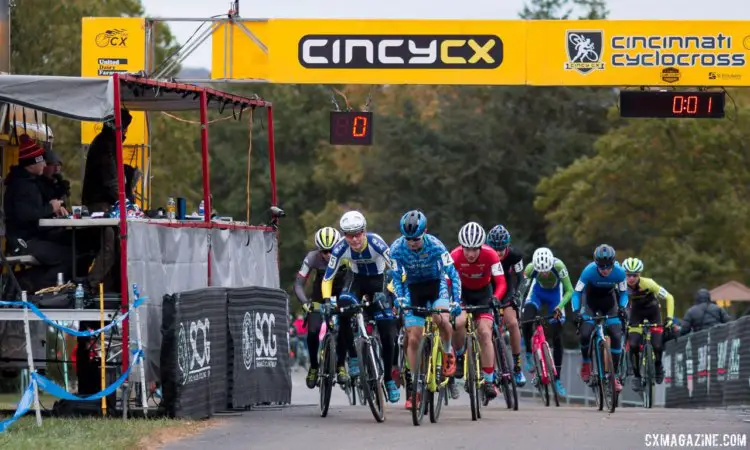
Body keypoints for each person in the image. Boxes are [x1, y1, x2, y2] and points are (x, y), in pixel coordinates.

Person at [320, 211, 400, 403]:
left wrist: (391, 290)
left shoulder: (376, 243)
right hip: (356, 281)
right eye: (349, 235)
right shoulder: (340, 248)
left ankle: (388, 378)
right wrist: (326, 301)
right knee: (344, 308)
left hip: (379, 282)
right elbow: (327, 278)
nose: (354, 239)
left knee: (388, 333)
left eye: (358, 234)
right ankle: (354, 357)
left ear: (364, 231)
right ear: (344, 235)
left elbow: (397, 270)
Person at [390, 210, 462, 410]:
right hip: (414, 289)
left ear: (425, 232)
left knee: (442, 319)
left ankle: (447, 353)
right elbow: (395, 277)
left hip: (435, 285)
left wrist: (456, 301)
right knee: (414, 338)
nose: (412, 243)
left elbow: (453, 275)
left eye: (416, 239)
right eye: (408, 239)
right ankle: (415, 388)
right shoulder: (396, 248)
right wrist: (400, 298)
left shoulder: (437, 246)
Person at [3, 135, 72, 289]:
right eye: (41, 161)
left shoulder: (28, 182)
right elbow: (26, 215)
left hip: (32, 237)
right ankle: (23, 284)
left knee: (72, 243)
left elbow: (33, 210)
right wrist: (50, 208)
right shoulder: (22, 185)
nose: (44, 164)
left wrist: (52, 209)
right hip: (23, 242)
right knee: (68, 256)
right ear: (31, 164)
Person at [450, 222, 507, 400]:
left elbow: (501, 282)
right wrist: (452, 300)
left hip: (484, 294)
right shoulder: (454, 255)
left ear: (481, 247)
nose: (470, 253)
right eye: (467, 249)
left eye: (475, 249)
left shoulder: (491, 255)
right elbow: (448, 281)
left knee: (484, 332)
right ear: (462, 246)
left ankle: (488, 381)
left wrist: (496, 297)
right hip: (462, 294)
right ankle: (459, 356)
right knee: (458, 323)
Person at [81, 108, 132, 294]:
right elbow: (112, 182)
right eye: (125, 128)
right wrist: (127, 204)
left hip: (103, 204)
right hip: (99, 206)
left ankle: (108, 289)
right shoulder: (105, 146)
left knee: (117, 242)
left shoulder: (106, 143)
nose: (126, 133)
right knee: (111, 242)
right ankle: (90, 286)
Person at [293, 226, 348, 388]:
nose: (329, 255)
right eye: (324, 252)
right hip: (319, 295)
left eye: (332, 250)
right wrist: (305, 303)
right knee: (312, 330)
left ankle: (340, 365)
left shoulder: (346, 255)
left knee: (345, 327)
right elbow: (298, 284)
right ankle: (314, 367)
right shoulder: (312, 257)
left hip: (341, 292)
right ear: (318, 251)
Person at [572, 244, 628, 392]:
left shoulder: (620, 272)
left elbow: (623, 294)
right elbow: (577, 293)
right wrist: (576, 311)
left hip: (609, 302)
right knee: (585, 333)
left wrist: (622, 308)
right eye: (601, 267)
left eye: (608, 266)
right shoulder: (588, 271)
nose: (605, 270)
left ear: (613, 263)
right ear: (596, 264)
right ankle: (586, 363)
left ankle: (613, 376)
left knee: (616, 334)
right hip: (590, 301)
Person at [517, 247, 573, 397]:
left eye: (546, 270)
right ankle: (529, 352)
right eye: (541, 271)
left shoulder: (559, 266)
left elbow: (570, 290)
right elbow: (522, 291)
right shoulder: (530, 269)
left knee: (557, 335)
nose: (544, 273)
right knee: (526, 319)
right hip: (537, 293)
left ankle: (557, 378)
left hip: (555, 295)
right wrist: (518, 307)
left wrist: (560, 306)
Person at [622, 257, 674, 389]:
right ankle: (637, 375)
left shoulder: (649, 283)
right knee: (633, 345)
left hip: (653, 312)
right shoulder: (621, 286)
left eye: (634, 275)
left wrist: (669, 318)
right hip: (636, 314)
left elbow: (669, 297)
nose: (631, 278)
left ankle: (657, 365)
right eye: (628, 275)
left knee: (657, 345)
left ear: (639, 274)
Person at [485, 224, 526, 386]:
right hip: (488, 288)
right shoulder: (485, 254)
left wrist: (517, 295)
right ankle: (491, 370)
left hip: (507, 288)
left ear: (507, 246)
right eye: (495, 248)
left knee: (513, 323)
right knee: (486, 330)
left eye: (502, 249)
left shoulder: (515, 255)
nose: (498, 252)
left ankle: (517, 367)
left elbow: (521, 278)